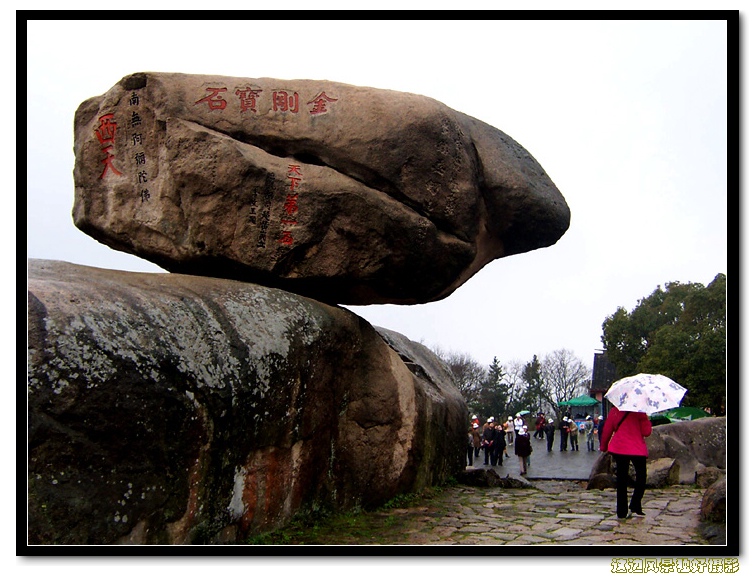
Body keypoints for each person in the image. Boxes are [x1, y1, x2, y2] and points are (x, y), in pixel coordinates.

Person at [600, 406, 653, 519]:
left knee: (621, 480)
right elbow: (646, 432)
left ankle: (621, 511)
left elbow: (607, 429)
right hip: (637, 449)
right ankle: (635, 503)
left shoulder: (615, 411)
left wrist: (604, 446)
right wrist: (646, 420)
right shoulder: (640, 412)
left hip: (619, 448)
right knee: (641, 477)